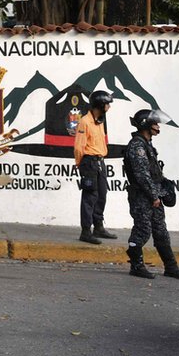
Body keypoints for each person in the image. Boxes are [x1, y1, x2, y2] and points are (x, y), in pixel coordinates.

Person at [123, 109, 179, 280]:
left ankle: (171, 267)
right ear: (145, 125)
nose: (158, 127)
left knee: (161, 232)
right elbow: (142, 175)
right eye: (155, 123)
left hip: (153, 195)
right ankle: (136, 266)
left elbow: (153, 172)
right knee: (142, 230)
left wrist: (164, 186)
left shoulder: (147, 144)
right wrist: (154, 196)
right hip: (142, 197)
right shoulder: (137, 146)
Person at [73, 90, 116, 244]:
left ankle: (98, 226)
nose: (109, 107)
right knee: (89, 197)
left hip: (99, 161)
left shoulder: (100, 121)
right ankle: (86, 231)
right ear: (100, 105)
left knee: (102, 195)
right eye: (107, 104)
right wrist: (80, 165)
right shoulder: (85, 121)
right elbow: (79, 146)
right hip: (89, 162)